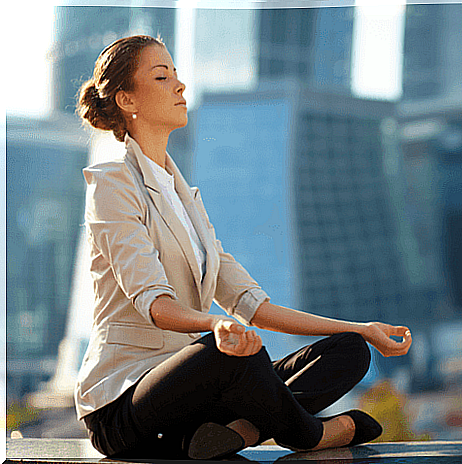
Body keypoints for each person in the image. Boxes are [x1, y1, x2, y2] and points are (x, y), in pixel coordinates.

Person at [74, 35, 412, 460]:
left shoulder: (185, 198)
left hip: (191, 403)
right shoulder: (111, 184)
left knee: (347, 350)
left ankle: (245, 430)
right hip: (123, 404)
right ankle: (308, 434)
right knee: (231, 351)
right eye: (162, 77)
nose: (179, 86)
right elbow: (155, 304)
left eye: (177, 76)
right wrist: (217, 327)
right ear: (126, 99)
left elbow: (255, 307)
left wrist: (362, 327)